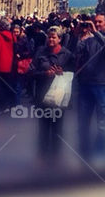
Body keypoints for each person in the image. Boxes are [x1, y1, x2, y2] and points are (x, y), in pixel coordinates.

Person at [74, 14, 105, 166]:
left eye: (100, 22)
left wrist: (95, 32)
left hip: (103, 85)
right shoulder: (88, 40)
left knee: (102, 124)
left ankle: (100, 154)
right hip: (86, 84)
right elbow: (76, 53)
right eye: (95, 22)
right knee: (82, 123)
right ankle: (84, 155)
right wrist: (78, 33)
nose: (97, 24)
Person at [30, 26, 73, 166]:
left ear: (60, 39)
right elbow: (31, 72)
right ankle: (41, 155)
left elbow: (73, 74)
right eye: (49, 37)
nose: (51, 39)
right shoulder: (40, 52)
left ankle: (56, 155)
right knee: (43, 127)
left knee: (57, 127)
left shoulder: (67, 54)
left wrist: (63, 72)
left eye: (54, 37)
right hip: (42, 94)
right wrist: (44, 74)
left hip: (59, 94)